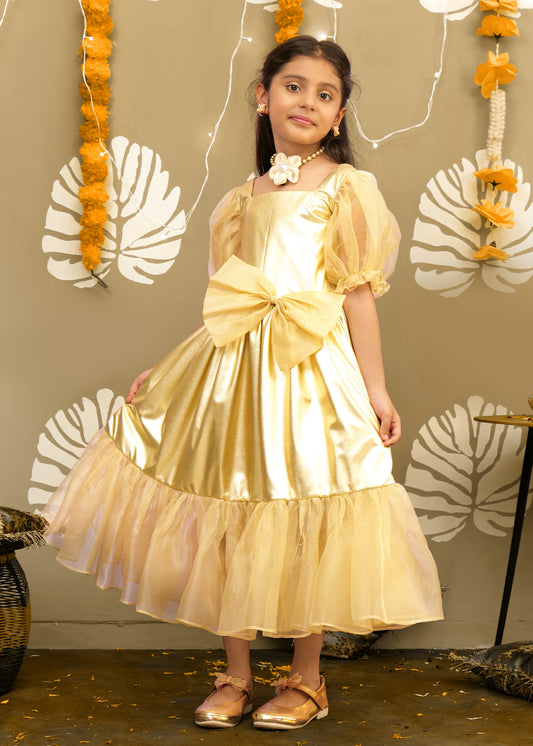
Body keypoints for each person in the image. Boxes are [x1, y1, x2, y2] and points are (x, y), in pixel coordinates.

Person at [43, 36, 443, 732]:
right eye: (294, 86)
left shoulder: (346, 189)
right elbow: (224, 299)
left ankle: (306, 679)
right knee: (229, 507)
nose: (308, 102)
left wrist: (375, 390)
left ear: (339, 115)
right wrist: (172, 366)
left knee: (306, 512)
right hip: (234, 371)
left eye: (325, 94)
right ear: (263, 97)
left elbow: (356, 296)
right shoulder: (241, 198)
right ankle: (234, 673)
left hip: (310, 372)